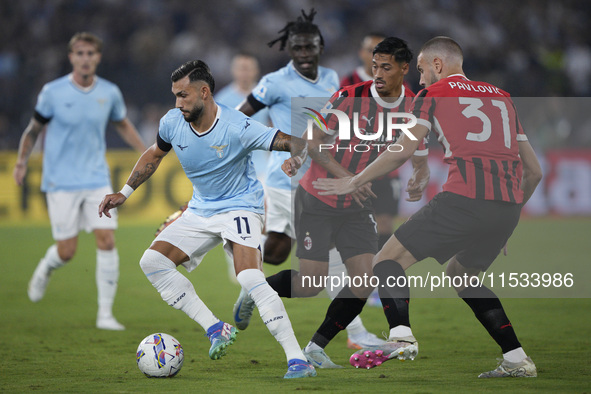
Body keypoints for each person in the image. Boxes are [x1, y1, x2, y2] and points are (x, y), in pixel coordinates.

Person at [313, 36, 542, 378]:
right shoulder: (503, 98)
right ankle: (517, 359)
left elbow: (403, 149)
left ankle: (401, 336)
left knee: (387, 260)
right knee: (462, 276)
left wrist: (354, 180)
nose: (419, 80)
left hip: (463, 199)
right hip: (506, 207)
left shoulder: (431, 95)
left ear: (438, 65)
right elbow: (534, 172)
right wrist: (506, 219)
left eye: (421, 70)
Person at [98, 60, 316, 379]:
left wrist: (298, 157)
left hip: (240, 208)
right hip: (201, 210)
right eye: (175, 95)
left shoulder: (238, 126)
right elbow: (154, 155)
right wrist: (125, 192)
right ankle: (216, 328)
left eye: (183, 95)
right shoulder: (173, 122)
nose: (178, 103)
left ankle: (297, 359)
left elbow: (294, 142)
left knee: (250, 279)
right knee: (152, 262)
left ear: (204, 92)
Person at [238, 37, 430, 368]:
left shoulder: (413, 103)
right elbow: (314, 143)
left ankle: (316, 346)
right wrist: (346, 179)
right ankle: (255, 288)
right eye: (375, 67)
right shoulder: (350, 97)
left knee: (363, 279)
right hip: (319, 196)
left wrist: (420, 171)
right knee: (310, 283)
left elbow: (416, 145)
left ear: (404, 68)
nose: (379, 74)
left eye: (386, 67)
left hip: (357, 204)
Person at [234, 8, 384, 350]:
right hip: (283, 181)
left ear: (321, 46)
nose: (303, 53)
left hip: (320, 180)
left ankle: (356, 334)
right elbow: (239, 119)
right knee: (277, 253)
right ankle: (253, 287)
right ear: (289, 49)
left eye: (310, 47)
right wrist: (271, 140)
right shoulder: (273, 82)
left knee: (325, 259)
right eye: (297, 48)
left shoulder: (333, 79)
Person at [13, 32, 146, 331]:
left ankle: (105, 315)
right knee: (67, 251)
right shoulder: (53, 92)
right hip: (60, 182)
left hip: (97, 179)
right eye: (80, 53)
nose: (85, 59)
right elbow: (33, 130)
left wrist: (147, 152)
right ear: (71, 57)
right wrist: (21, 161)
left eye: (91, 54)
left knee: (107, 239)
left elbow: (122, 123)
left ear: (98, 57)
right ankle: (46, 267)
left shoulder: (109, 92)